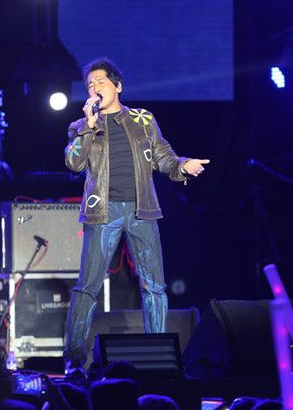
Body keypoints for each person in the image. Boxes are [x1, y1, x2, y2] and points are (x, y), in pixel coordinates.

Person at [62, 57, 209, 377]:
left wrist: (183, 165)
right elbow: (73, 163)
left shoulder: (143, 120)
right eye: (89, 85)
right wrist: (88, 126)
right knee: (87, 286)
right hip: (102, 211)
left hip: (142, 209)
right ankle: (74, 360)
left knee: (154, 286)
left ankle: (161, 356)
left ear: (118, 86)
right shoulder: (80, 125)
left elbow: (163, 157)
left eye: (101, 82)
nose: (94, 88)